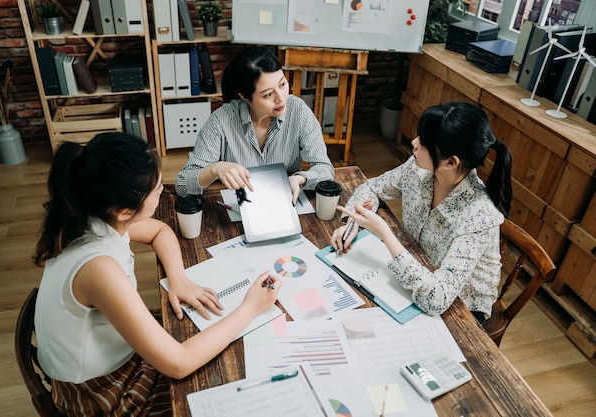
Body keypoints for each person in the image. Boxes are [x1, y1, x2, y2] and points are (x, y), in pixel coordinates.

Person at [33, 132, 281, 416]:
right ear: (124, 210)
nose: (163, 189)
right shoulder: (97, 267)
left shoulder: (92, 215)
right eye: (156, 189)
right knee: (230, 387)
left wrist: (178, 277)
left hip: (116, 355)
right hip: (103, 391)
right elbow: (179, 363)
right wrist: (250, 308)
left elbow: (160, 230)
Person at [330, 102, 512, 323]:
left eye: (424, 142)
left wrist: (384, 232)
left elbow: (438, 299)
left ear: (450, 162)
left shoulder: (480, 215)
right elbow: (372, 187)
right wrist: (353, 223)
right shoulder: (416, 169)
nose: (414, 142)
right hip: (417, 265)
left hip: (460, 308)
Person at [175, 46, 334, 204]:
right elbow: (182, 185)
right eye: (268, 94)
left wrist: (300, 179)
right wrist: (214, 169)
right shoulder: (220, 121)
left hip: (286, 203)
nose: (281, 98)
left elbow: (325, 169)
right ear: (244, 96)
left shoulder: (298, 110)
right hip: (238, 208)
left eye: (282, 84)